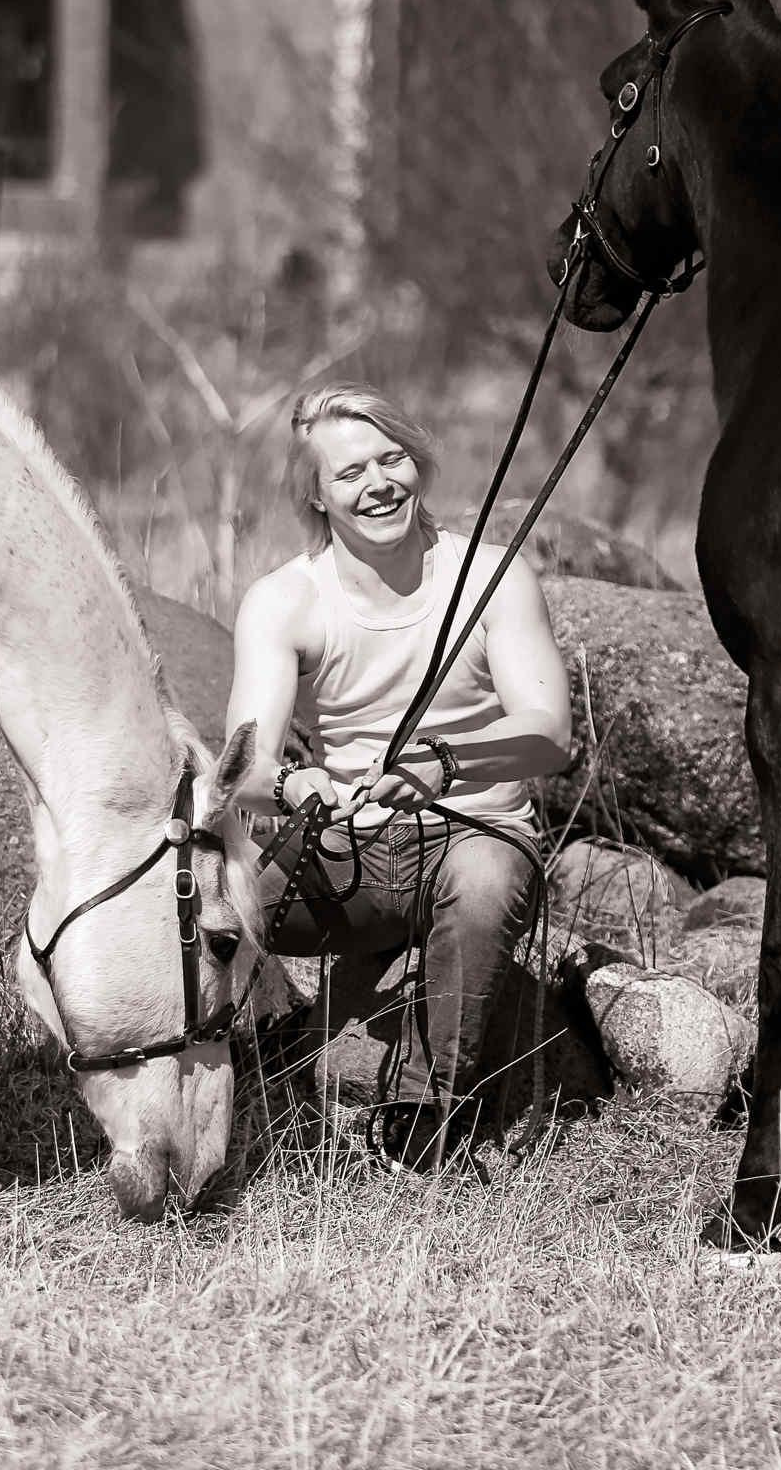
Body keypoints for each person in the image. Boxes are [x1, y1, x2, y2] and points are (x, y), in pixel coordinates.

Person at [226, 383, 572, 1170]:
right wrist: (293, 787)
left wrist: (444, 764)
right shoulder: (283, 600)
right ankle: (203, 1064)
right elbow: (244, 766)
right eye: (350, 473)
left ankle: (422, 1120)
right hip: (341, 850)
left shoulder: (493, 576)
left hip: (471, 836)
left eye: (394, 458)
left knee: (483, 883)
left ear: (418, 463)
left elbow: (551, 735)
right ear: (314, 494)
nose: (379, 483)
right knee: (202, 895)